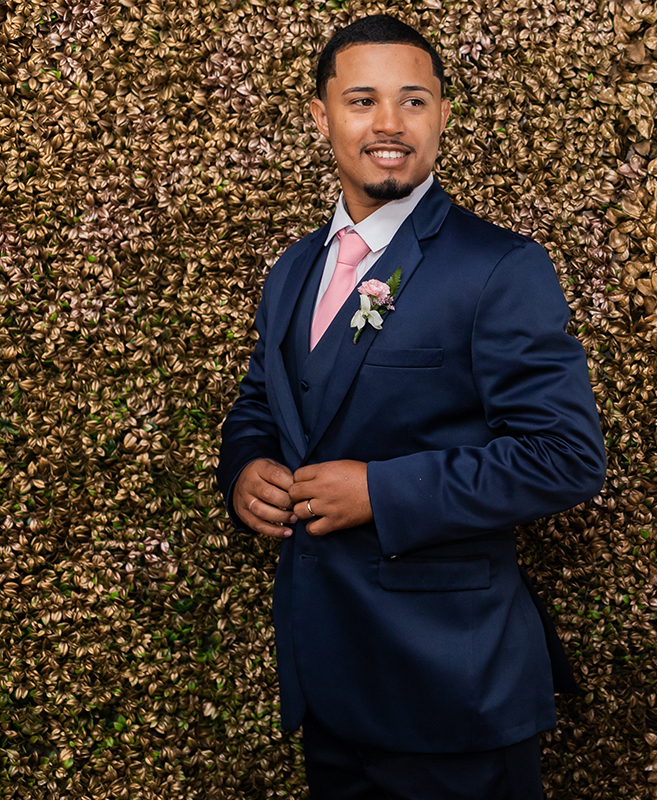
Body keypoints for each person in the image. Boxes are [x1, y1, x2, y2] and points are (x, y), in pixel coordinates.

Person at [216, 14, 606, 799]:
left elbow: (566, 457)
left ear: (442, 116)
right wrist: (246, 466)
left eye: (413, 101)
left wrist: (379, 491)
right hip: (328, 689)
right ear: (322, 115)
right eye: (363, 100)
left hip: (454, 695)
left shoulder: (499, 266)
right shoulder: (293, 270)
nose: (389, 123)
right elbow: (263, 399)